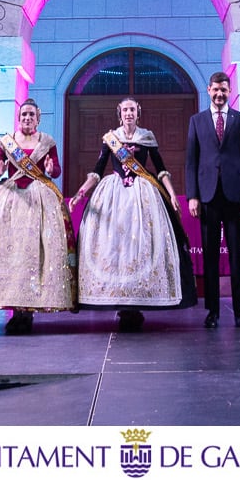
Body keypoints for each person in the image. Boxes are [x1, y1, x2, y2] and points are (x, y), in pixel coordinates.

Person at [70, 98, 196, 330]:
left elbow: (161, 169)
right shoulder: (111, 138)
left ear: (138, 113)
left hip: (143, 195)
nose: (129, 113)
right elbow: (98, 170)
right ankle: (120, 300)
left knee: (142, 246)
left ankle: (137, 302)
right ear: (119, 114)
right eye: (125, 110)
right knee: (115, 248)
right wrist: (81, 193)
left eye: (132, 110)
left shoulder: (147, 137)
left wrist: (171, 194)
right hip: (114, 195)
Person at [0, 100, 75, 332]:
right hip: (10, 200)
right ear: (19, 118)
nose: (27, 118)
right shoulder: (7, 142)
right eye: (24, 115)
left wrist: (51, 169)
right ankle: (14, 310)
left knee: (33, 255)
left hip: (39, 200)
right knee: (11, 255)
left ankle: (28, 311)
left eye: (31, 115)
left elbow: (56, 170)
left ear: (38, 118)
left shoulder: (47, 142)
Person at [185, 70, 240, 329]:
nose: (219, 94)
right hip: (207, 196)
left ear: (229, 91)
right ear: (208, 90)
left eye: (223, 90)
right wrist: (192, 196)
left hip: (236, 196)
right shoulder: (196, 121)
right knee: (210, 257)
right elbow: (191, 161)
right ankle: (212, 311)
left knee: (237, 256)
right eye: (215, 90)